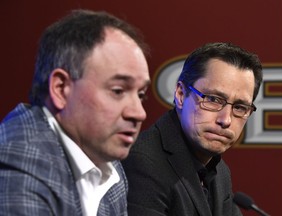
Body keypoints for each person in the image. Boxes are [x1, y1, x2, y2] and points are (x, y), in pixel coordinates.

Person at [0, 9, 150, 216]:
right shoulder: (18, 162)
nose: (139, 113)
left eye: (141, 95)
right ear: (61, 89)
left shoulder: (107, 161)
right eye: (118, 91)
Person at [122, 42, 263, 216]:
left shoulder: (219, 172)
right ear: (181, 95)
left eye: (240, 107)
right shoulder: (143, 162)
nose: (226, 120)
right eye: (213, 99)